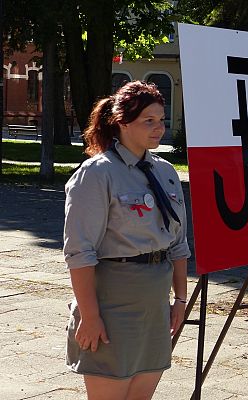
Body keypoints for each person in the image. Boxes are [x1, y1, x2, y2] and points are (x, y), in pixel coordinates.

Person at [63, 80, 191, 400]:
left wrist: (180, 299)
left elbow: (177, 243)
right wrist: (90, 318)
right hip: (113, 304)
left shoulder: (165, 172)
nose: (158, 128)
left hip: (155, 304)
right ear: (122, 122)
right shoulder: (97, 173)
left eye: (161, 120)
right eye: (148, 121)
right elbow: (79, 253)